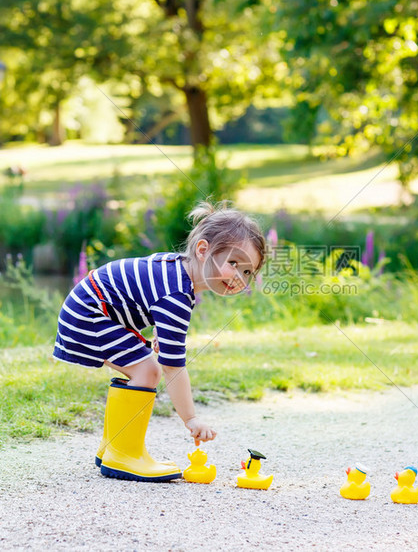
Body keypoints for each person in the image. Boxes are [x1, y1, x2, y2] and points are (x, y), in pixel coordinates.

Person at [53, 200, 266, 482]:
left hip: (89, 308)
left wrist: (157, 337)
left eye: (248, 272)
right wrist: (191, 418)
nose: (239, 277)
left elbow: (142, 294)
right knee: (148, 370)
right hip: (88, 314)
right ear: (203, 251)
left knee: (143, 363)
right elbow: (173, 367)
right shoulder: (177, 295)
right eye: (233, 263)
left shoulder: (176, 271)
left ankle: (113, 446)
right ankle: (124, 454)